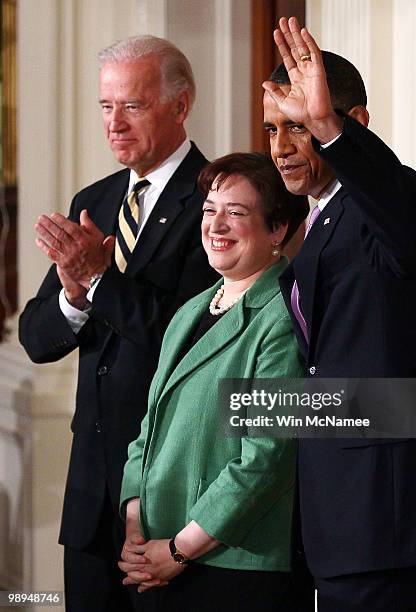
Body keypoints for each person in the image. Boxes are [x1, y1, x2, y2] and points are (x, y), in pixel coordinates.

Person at [262, 16, 416, 611]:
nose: (280, 147)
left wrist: (327, 127)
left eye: (297, 127)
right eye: (273, 129)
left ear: (354, 125)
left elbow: (397, 213)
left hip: (397, 526)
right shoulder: (319, 222)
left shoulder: (395, 202)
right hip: (344, 526)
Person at [18, 35, 219, 612]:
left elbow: (192, 340)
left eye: (132, 106)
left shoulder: (217, 197)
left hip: (169, 491)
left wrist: (102, 281)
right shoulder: (96, 200)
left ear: (180, 106)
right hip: (90, 493)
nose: (115, 123)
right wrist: (76, 296)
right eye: (107, 107)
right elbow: (36, 338)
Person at [117, 153, 312, 612]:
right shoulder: (190, 311)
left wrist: (180, 549)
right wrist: (134, 528)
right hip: (155, 556)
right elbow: (149, 427)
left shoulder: (282, 317)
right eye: (209, 210)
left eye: (236, 213)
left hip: (229, 566)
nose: (216, 225)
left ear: (278, 230)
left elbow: (266, 459)